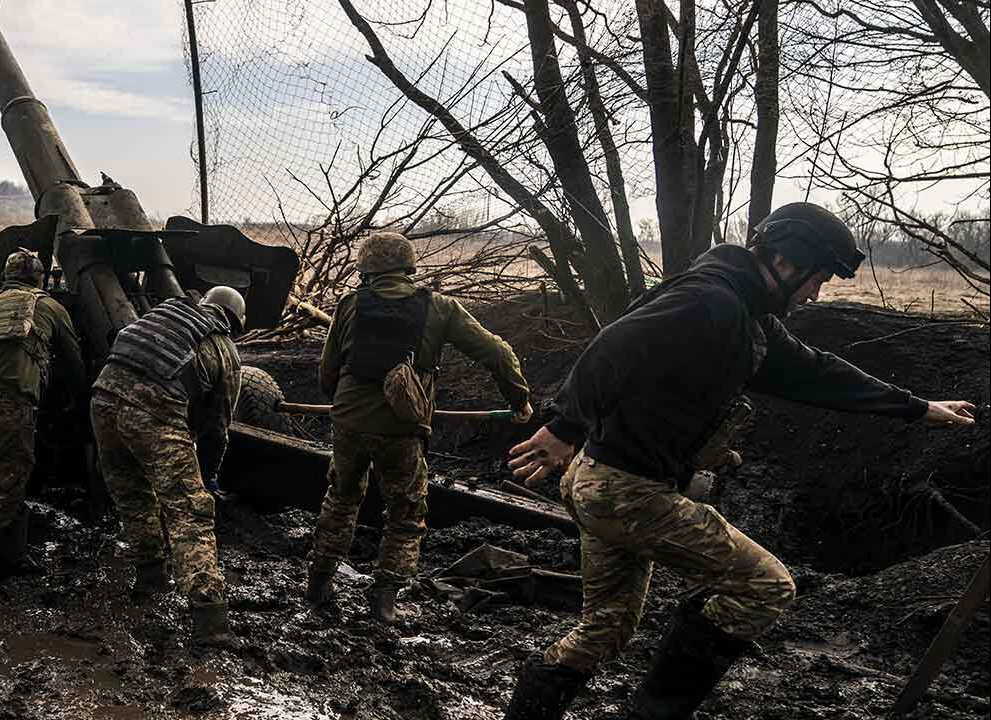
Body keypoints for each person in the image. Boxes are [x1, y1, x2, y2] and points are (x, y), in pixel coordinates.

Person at [503, 202, 977, 719]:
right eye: (817, 279)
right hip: (627, 490)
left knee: (607, 628)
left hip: (601, 481)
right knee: (765, 586)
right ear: (790, 263)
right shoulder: (711, 300)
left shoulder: (745, 314)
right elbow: (616, 344)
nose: (817, 294)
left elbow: (817, 372)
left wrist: (917, 407)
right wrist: (564, 426)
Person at [305, 231, 534, 623]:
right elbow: (497, 352)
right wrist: (519, 401)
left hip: (347, 423)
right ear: (409, 267)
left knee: (341, 500)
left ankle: (319, 585)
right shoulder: (440, 308)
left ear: (366, 270)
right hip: (401, 431)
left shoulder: (348, 305)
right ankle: (384, 603)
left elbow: (327, 371)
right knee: (406, 512)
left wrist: (344, 404)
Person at [90, 286, 247, 652]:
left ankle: (150, 581)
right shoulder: (223, 348)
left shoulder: (167, 310)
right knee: (190, 512)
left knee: (134, 498)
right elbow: (216, 428)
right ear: (233, 322)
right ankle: (211, 622)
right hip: (153, 411)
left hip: (102, 401)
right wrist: (206, 479)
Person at [0, 249, 86, 588]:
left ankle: (12, 559)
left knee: (3, 479)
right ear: (39, 279)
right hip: (8, 402)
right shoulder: (49, 306)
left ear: (6, 277)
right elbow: (74, 358)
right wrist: (80, 399)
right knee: (4, 489)